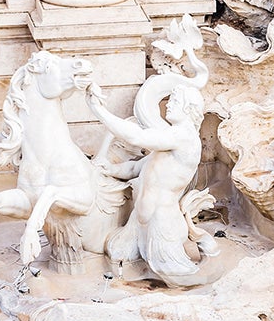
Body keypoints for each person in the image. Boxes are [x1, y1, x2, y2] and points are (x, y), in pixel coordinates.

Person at [87, 75, 218, 288]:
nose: (168, 104)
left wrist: (99, 111)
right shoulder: (169, 140)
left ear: (188, 108)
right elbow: (137, 168)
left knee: (180, 279)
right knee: (118, 252)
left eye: (175, 101)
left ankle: (207, 282)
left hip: (162, 223)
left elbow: (138, 138)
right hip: (140, 220)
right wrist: (111, 169)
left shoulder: (184, 136)